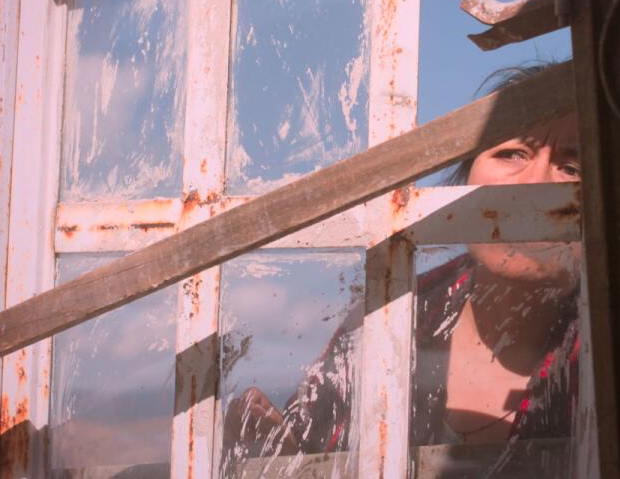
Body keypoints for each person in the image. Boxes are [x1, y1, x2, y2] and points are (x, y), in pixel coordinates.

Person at [222, 61, 583, 470]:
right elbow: (322, 450)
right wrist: (287, 454)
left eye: (571, 168)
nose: (533, 186)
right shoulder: (387, 321)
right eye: (512, 153)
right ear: (465, 181)